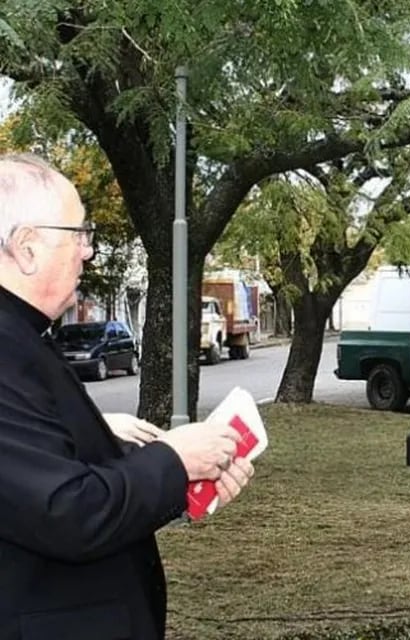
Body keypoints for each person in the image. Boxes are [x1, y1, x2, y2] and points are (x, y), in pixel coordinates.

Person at [0, 154, 254, 639]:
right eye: (79, 234)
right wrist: (174, 460)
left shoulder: (22, 336)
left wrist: (185, 478)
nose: (88, 252)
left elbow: (53, 472)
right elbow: (68, 511)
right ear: (27, 247)